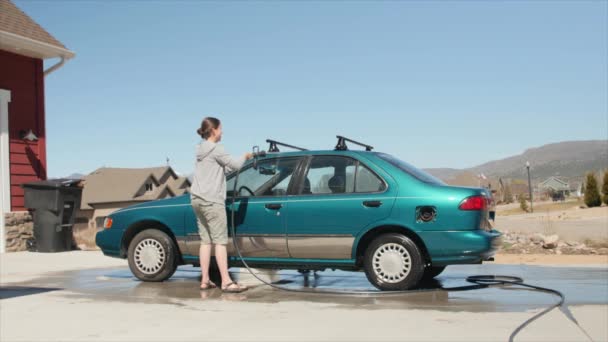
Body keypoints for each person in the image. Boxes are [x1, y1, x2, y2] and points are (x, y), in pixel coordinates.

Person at [190, 117, 253, 293]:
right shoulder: (217, 149)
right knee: (220, 242)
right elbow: (236, 164)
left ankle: (205, 280)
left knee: (205, 241)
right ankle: (226, 281)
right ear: (214, 131)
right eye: (221, 129)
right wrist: (246, 156)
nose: (222, 132)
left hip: (196, 199)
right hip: (212, 200)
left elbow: (221, 168)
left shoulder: (200, 149)